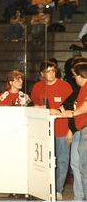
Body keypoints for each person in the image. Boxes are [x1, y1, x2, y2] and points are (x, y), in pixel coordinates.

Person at [30, 61, 73, 200]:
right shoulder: (37, 87)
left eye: (53, 70)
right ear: (41, 74)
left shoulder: (65, 86)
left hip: (62, 130)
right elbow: (35, 106)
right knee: (45, 160)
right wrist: (48, 110)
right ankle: (44, 187)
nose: (51, 73)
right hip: (44, 130)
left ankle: (58, 189)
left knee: (62, 160)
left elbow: (72, 107)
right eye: (48, 71)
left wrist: (70, 131)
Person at [61, 63, 87, 200]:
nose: (74, 78)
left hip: (85, 129)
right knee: (80, 166)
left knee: (85, 168)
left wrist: (73, 113)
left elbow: (85, 107)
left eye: (75, 75)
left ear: (82, 75)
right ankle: (80, 198)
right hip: (81, 129)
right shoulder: (82, 88)